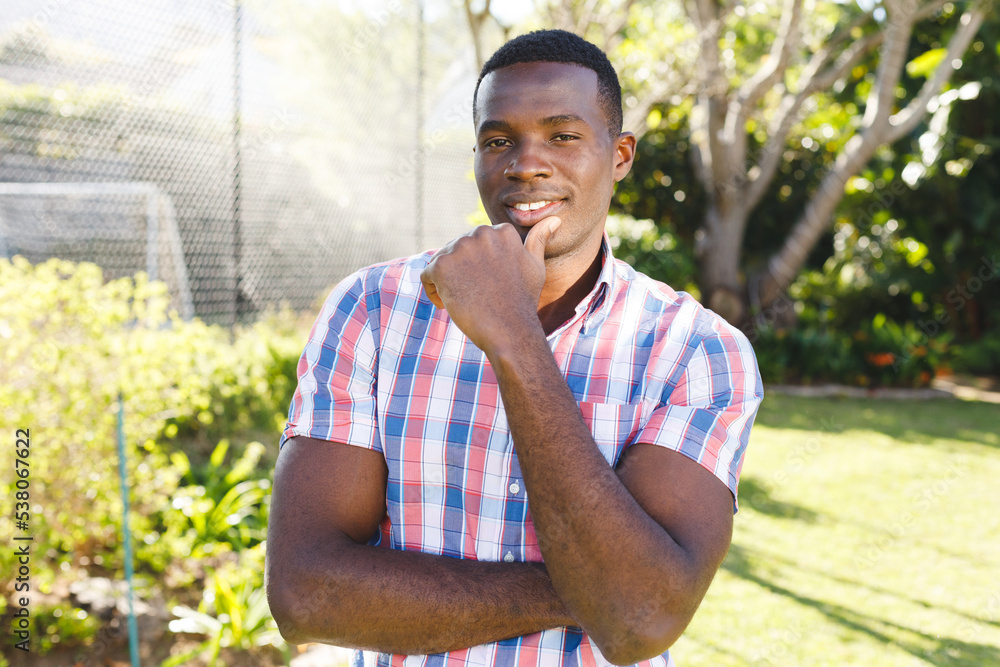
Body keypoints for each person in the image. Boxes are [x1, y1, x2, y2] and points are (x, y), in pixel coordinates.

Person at [266, 29, 763, 667]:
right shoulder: (371, 309)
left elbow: (639, 622)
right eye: (499, 140)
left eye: (562, 135)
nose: (526, 162)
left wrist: (511, 334)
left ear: (619, 156)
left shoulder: (697, 351)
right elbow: (306, 595)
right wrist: (590, 591)